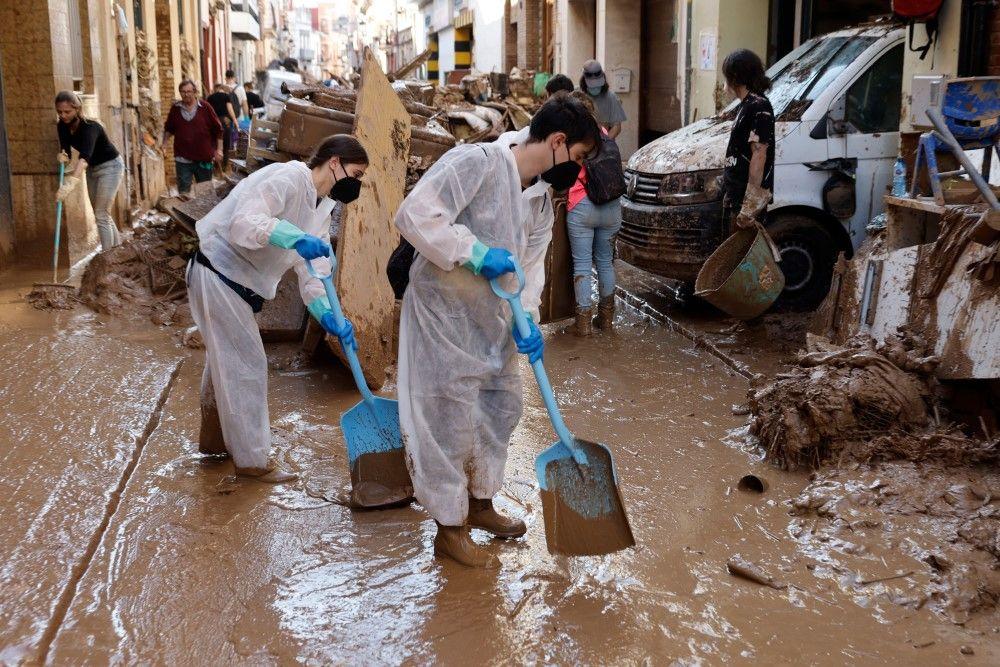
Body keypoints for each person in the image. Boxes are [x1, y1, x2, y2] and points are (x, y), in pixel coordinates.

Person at [395, 94, 601, 568]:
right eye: (580, 157)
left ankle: (481, 503)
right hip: (443, 317)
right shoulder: (479, 163)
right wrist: (474, 252)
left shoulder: (542, 204)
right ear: (556, 141)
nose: (580, 168)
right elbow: (415, 214)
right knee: (449, 420)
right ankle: (449, 528)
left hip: (494, 321)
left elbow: (529, 271)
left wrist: (525, 320)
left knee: (501, 408)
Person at [187, 134, 368, 483]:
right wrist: (292, 236)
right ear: (335, 163)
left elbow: (312, 271)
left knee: (224, 361)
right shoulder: (287, 178)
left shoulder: (322, 204)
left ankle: (214, 443)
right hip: (218, 271)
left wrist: (329, 314)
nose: (356, 184)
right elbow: (244, 224)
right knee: (246, 365)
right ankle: (253, 462)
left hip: (235, 283)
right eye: (356, 174)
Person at [565, 90, 622, 336]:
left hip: (582, 207)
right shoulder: (604, 133)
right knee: (605, 263)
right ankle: (607, 319)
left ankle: (584, 324)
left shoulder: (572, 139)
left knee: (582, 266)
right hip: (611, 208)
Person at [54, 91, 125, 251]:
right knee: (101, 213)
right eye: (59, 111)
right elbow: (67, 150)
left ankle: (106, 257)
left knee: (101, 213)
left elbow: (84, 158)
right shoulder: (62, 126)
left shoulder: (90, 128)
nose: (63, 115)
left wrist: (71, 183)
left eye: (67, 112)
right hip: (92, 169)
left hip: (111, 167)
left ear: (77, 109)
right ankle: (117, 250)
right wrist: (63, 155)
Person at [719, 49, 774, 233]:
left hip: (745, 201)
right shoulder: (746, 105)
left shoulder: (759, 106)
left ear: (734, 76)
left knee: (744, 258)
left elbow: (759, 155)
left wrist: (750, 205)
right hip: (736, 196)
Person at [160, 80, 223, 195]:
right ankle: (185, 212)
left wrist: (219, 150)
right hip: (182, 158)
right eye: (183, 92)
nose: (186, 94)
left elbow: (218, 129)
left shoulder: (205, 107)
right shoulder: (175, 109)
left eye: (189, 91)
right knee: (184, 192)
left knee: (205, 193)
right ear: (180, 93)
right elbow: (169, 129)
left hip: (204, 158)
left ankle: (206, 213)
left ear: (194, 92)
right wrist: (164, 144)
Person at [580, 60, 626, 139]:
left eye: (597, 85)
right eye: (592, 85)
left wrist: (606, 141)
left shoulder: (611, 97)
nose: (595, 87)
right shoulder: (577, 96)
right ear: (584, 82)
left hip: (604, 139)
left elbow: (616, 127)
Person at [207, 83, 239, 170]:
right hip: (224, 122)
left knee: (215, 145)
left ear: (215, 89)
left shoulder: (210, 98)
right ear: (223, 89)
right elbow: (230, 109)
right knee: (225, 146)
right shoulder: (226, 96)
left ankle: (216, 167)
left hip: (213, 123)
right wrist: (235, 121)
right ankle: (224, 167)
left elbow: (208, 111)